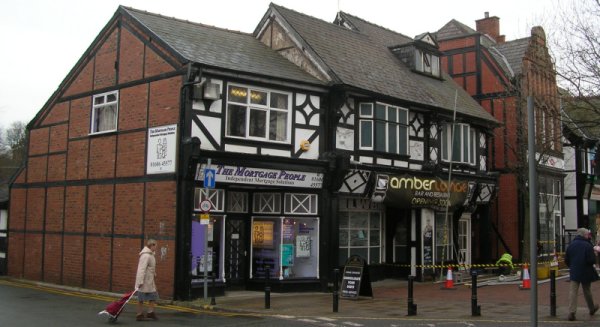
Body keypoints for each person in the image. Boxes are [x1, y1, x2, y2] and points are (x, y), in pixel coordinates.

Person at [565, 228, 599, 321]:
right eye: (588, 234)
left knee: (573, 292)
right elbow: (591, 260)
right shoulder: (587, 245)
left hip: (574, 271)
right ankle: (591, 308)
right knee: (587, 290)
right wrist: (595, 255)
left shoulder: (571, 245)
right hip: (586, 271)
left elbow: (566, 259)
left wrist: (572, 265)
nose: (589, 236)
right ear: (584, 235)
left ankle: (572, 312)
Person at [135, 239, 159, 321]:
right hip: (144, 281)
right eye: (156, 245)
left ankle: (150, 312)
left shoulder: (151, 254)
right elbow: (141, 269)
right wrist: (140, 281)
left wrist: (154, 273)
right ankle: (139, 314)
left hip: (149, 280)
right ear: (152, 245)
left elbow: (150, 267)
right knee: (141, 298)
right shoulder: (146, 255)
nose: (156, 247)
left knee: (153, 296)